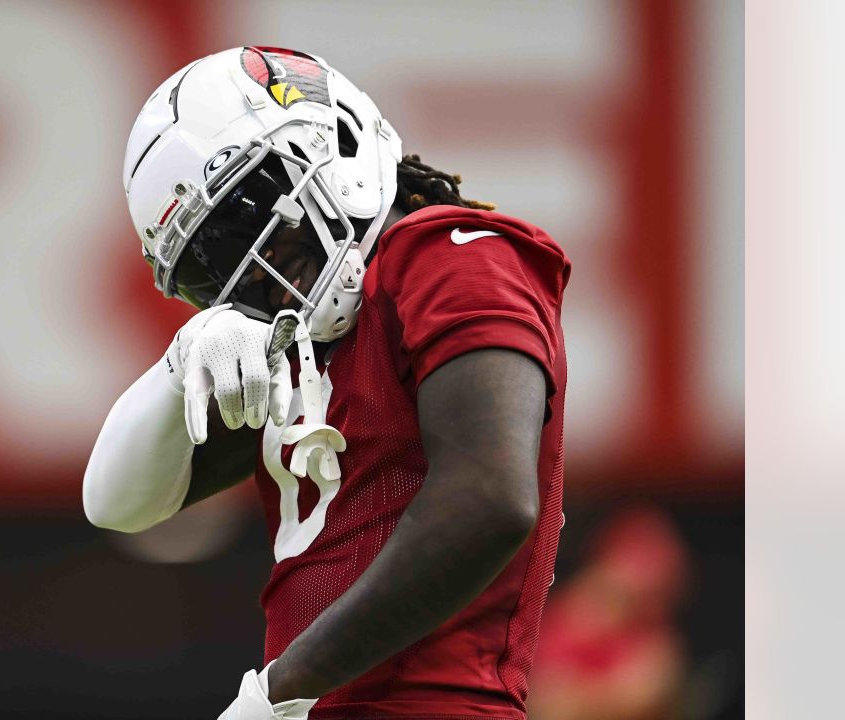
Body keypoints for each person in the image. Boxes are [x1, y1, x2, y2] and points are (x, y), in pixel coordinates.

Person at [83, 46, 571, 720]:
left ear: (334, 147)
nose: (251, 274)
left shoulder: (454, 257)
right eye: (211, 264)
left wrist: (280, 692)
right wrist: (177, 365)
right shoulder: (302, 339)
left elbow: (489, 499)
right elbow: (117, 502)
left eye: (252, 225)